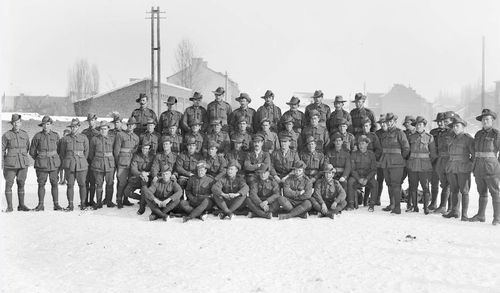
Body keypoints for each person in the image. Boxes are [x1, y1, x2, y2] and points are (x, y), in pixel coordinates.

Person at [469, 109, 500, 225]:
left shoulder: (496, 134)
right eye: (483, 119)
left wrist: (497, 165)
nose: (485, 121)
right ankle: (481, 215)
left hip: (491, 168)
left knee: (495, 192)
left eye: (487, 119)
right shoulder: (478, 134)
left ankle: (497, 218)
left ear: (492, 121)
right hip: (478, 168)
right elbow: (474, 150)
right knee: (481, 192)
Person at [443, 116, 473, 220]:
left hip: (463, 167)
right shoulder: (452, 139)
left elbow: (474, 154)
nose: (455, 128)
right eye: (454, 126)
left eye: (457, 126)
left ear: (463, 127)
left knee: (464, 191)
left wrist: (469, 165)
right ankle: (454, 211)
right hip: (452, 167)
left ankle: (464, 214)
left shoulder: (468, 138)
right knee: (454, 190)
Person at [29, 115, 63, 211]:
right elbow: (32, 151)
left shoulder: (56, 135)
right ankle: (40, 205)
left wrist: (55, 158)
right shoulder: (37, 136)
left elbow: (59, 150)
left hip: (53, 163)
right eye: (44, 124)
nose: (46, 126)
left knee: (55, 184)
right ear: (42, 125)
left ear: (51, 125)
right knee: (41, 184)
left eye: (48, 124)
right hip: (42, 164)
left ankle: (56, 205)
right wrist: (40, 158)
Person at [378, 113, 410, 214]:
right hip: (386, 162)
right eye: (387, 121)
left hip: (397, 163)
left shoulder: (400, 133)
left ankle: (397, 207)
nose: (389, 123)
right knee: (389, 184)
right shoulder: (384, 134)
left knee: (396, 185)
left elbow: (406, 148)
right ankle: (391, 204)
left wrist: (400, 158)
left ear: (395, 122)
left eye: (391, 121)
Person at [406, 116, 437, 214]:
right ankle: (415, 207)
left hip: (425, 167)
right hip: (413, 165)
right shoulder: (411, 136)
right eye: (417, 125)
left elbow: (433, 154)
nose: (418, 126)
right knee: (413, 186)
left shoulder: (429, 137)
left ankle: (425, 208)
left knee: (426, 187)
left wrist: (428, 163)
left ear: (424, 126)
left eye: (420, 125)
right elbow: (407, 151)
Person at [59, 118, 89, 211]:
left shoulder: (84, 138)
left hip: (81, 164)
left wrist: (81, 160)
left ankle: (83, 204)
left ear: (78, 127)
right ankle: (70, 204)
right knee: (70, 185)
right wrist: (68, 160)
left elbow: (86, 152)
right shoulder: (65, 139)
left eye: (75, 127)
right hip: (69, 164)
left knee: (82, 184)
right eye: (72, 127)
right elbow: (62, 153)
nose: (73, 128)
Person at [2, 114, 30, 212]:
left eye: (18, 122)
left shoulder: (25, 134)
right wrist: (4, 162)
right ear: (12, 124)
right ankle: (9, 207)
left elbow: (27, 148)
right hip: (10, 164)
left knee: (21, 183)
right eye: (14, 123)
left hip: (23, 163)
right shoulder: (6, 135)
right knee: (9, 184)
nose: (16, 124)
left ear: (20, 123)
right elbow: (2, 150)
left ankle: (21, 205)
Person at [433, 111, 457, 214]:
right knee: (444, 184)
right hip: (440, 160)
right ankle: (447, 207)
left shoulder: (454, 132)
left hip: (450, 160)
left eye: (445, 121)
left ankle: (446, 207)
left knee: (449, 183)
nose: (442, 124)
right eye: (441, 121)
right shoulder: (441, 133)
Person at [88, 121, 116, 209]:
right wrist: (97, 160)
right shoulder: (94, 139)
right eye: (101, 129)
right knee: (98, 184)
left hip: (109, 164)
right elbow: (91, 153)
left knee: (110, 183)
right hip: (98, 164)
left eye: (105, 129)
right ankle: (99, 202)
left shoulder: (112, 138)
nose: (103, 130)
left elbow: (115, 151)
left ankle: (109, 201)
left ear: (108, 129)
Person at [113, 117, 140, 208]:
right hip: (122, 162)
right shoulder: (120, 135)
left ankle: (125, 199)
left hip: (131, 163)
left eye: (132, 125)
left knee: (129, 182)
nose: (130, 126)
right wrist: (118, 163)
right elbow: (116, 151)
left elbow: (135, 151)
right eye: (128, 125)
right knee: (122, 182)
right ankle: (119, 200)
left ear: (135, 126)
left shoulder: (136, 137)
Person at [124, 143, 155, 215]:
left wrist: (148, 174)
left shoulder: (152, 157)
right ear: (141, 148)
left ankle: (142, 207)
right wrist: (141, 174)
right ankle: (143, 199)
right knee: (127, 192)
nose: (145, 150)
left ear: (149, 149)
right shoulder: (136, 156)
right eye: (144, 148)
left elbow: (154, 168)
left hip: (147, 178)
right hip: (137, 177)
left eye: (147, 148)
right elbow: (133, 169)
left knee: (144, 188)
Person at [347, 135, 378, 210]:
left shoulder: (371, 154)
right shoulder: (354, 154)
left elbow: (373, 169)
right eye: (359, 144)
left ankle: (372, 205)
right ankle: (351, 204)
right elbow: (352, 170)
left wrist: (367, 179)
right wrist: (358, 179)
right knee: (350, 181)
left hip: (367, 177)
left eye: (363, 143)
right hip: (357, 177)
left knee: (375, 183)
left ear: (367, 144)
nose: (361, 146)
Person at [428, 112, 446, 210]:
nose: (440, 123)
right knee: (434, 182)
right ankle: (433, 203)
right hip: (434, 160)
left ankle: (445, 205)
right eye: (439, 121)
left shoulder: (450, 132)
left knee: (446, 184)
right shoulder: (433, 132)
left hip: (445, 160)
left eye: (442, 121)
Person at [81, 113, 99, 207]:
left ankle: (92, 200)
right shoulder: (84, 132)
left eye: (92, 120)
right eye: (89, 121)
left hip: (95, 160)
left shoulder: (99, 133)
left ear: (95, 120)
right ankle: (84, 201)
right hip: (85, 159)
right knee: (85, 181)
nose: (91, 122)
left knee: (93, 181)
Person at [401, 115, 416, 210]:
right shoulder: (402, 133)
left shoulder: (417, 134)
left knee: (412, 183)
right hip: (403, 161)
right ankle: (398, 199)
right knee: (397, 181)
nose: (407, 125)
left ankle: (410, 203)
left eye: (409, 123)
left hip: (413, 161)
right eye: (406, 123)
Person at [375, 114, 387, 206]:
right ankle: (377, 198)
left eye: (384, 122)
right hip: (380, 160)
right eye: (381, 123)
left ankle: (393, 201)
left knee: (391, 181)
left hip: (391, 161)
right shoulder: (377, 133)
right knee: (379, 180)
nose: (383, 124)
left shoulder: (393, 132)